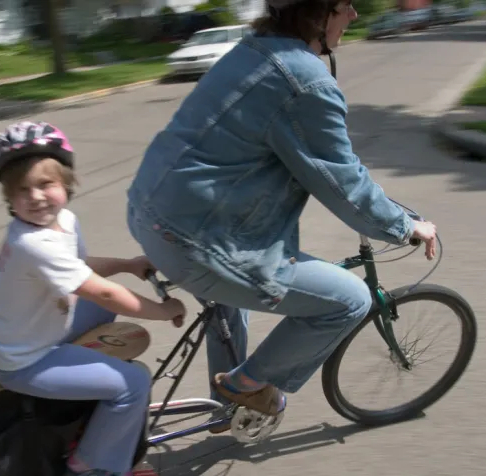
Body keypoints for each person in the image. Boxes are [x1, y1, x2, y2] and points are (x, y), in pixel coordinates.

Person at [125, 0, 437, 426]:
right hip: (196, 241)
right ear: (318, 11)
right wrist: (405, 226)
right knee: (350, 300)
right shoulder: (304, 80)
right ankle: (241, 386)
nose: (355, 15)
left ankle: (228, 405)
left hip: (151, 216)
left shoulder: (251, 50)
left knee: (232, 303)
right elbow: (343, 183)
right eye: (346, 4)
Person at [0, 121, 186, 476]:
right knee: (134, 384)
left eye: (46, 184)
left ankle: (91, 412)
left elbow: (81, 266)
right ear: (9, 198)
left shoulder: (62, 222)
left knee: (104, 316)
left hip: (33, 331)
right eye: (22, 189)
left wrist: (126, 264)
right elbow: (103, 293)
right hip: (23, 359)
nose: (37, 196)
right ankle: (91, 469)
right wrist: (164, 308)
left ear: (66, 183)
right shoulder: (33, 243)